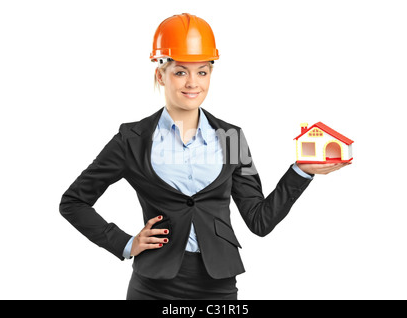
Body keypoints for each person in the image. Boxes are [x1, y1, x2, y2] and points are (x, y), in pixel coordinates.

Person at [59, 13, 350, 300]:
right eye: (180, 71)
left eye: (202, 71)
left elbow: (259, 220)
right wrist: (125, 243)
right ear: (160, 75)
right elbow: (74, 202)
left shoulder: (232, 138)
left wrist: (301, 171)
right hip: (152, 287)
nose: (192, 83)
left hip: (217, 285)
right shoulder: (131, 140)